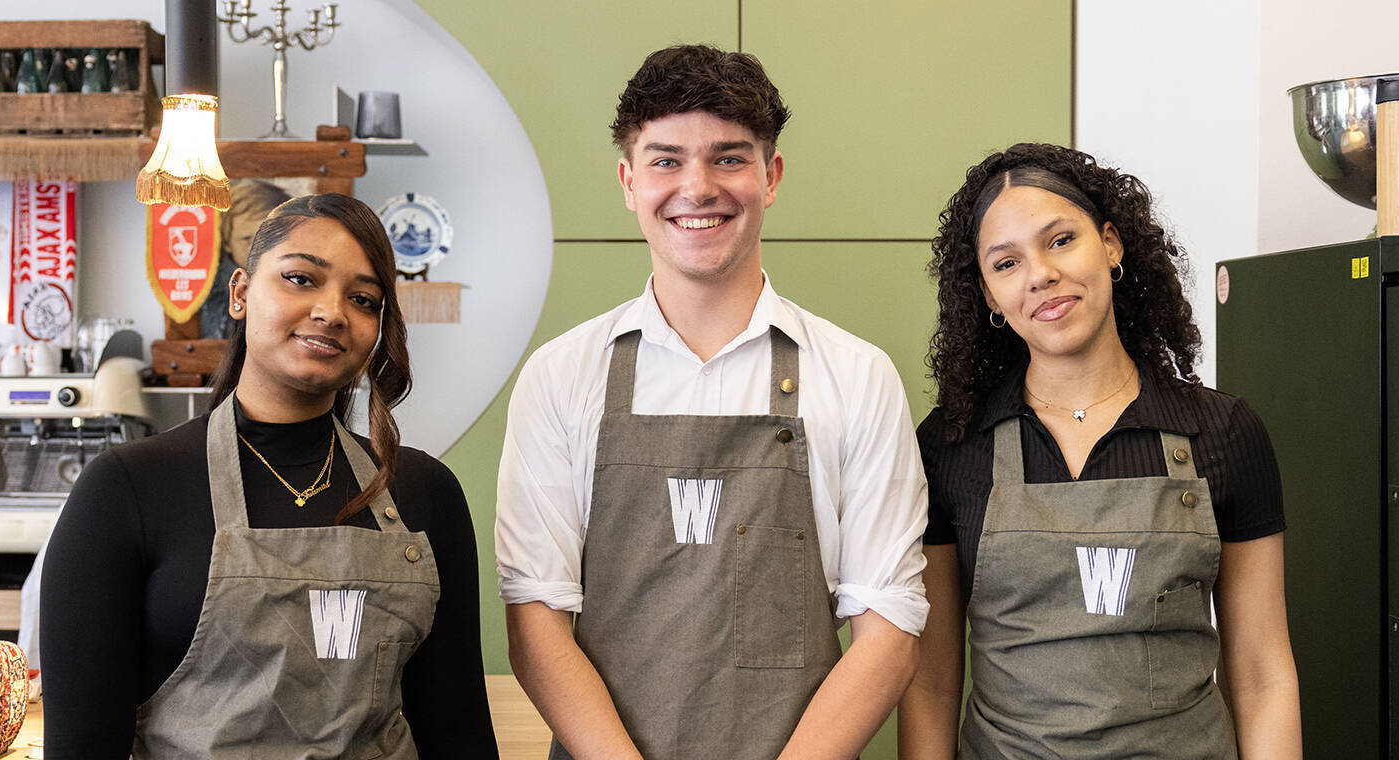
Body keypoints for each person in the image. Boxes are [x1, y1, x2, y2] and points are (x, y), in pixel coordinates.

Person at [495, 44, 929, 760]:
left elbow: (889, 629)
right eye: (666, 161)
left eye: (728, 158)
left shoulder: (858, 376)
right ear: (629, 181)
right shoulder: (560, 375)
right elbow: (536, 620)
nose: (697, 187)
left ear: (771, 175)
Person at [41, 194, 498, 759]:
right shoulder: (128, 488)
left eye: (362, 298)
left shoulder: (424, 493)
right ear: (239, 294)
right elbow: (82, 746)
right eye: (301, 278)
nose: (332, 311)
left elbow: (458, 732)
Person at [897, 143, 1301, 759]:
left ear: (1110, 245)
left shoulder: (1223, 432)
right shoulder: (952, 445)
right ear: (988, 295)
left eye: (1060, 240)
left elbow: (1262, 674)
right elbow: (930, 685)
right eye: (1006, 264)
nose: (1039, 275)